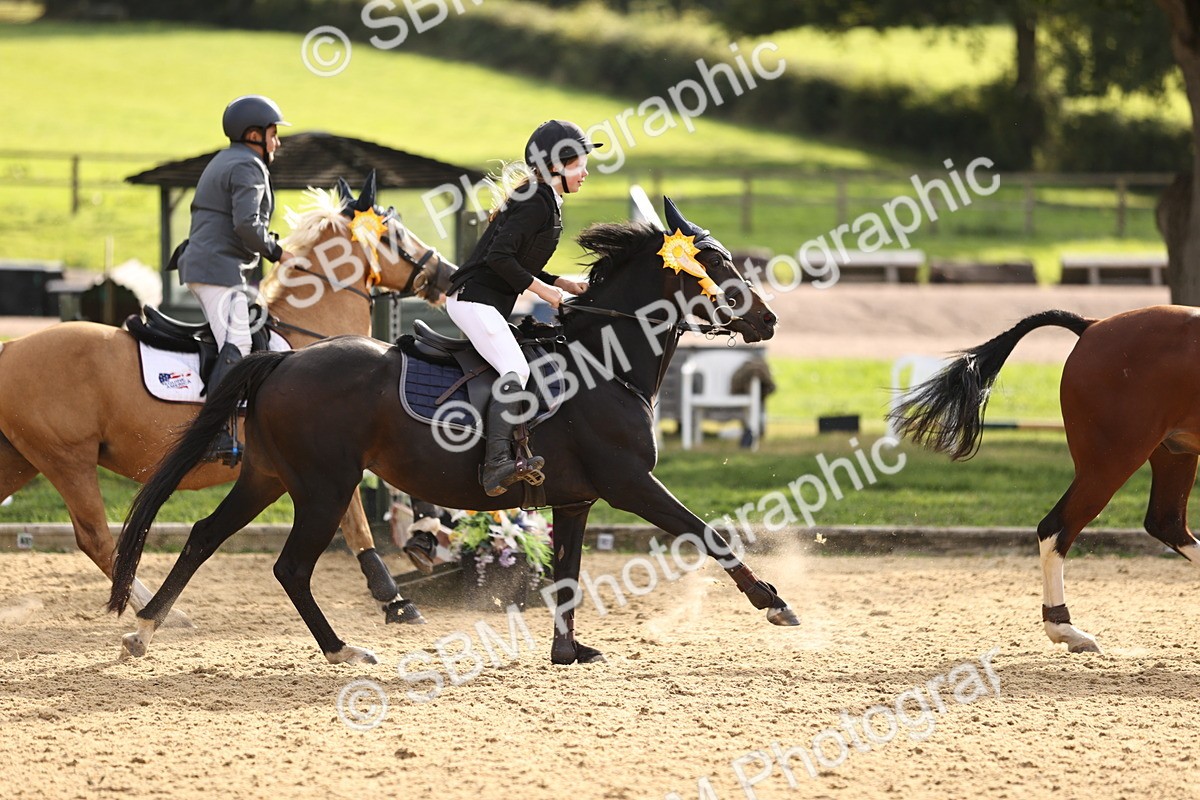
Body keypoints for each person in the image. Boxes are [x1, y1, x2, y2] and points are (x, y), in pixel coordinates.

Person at [444, 119, 600, 496]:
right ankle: (496, 463)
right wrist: (546, 292)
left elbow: (520, 259)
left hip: (484, 301)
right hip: (473, 300)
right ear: (555, 167)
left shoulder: (544, 198)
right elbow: (500, 258)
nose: (585, 172)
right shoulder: (536, 201)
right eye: (579, 163)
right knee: (514, 366)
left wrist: (560, 282)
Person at [177, 95, 295, 465]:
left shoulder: (228, 159)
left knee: (239, 335)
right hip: (218, 268)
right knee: (239, 340)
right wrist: (277, 251)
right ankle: (211, 433)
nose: (276, 142)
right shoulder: (248, 165)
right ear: (253, 134)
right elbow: (247, 224)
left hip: (214, 265)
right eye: (273, 134)